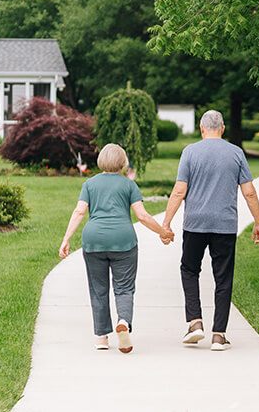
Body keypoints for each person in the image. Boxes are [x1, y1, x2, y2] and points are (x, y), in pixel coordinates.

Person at [162, 110, 259, 351]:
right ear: (223, 128)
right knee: (223, 277)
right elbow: (249, 191)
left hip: (194, 224)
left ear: (201, 128)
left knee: (189, 269)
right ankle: (219, 335)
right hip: (225, 225)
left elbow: (179, 191)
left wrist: (166, 224)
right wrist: (258, 222)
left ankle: (195, 323)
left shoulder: (190, 152)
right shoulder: (236, 153)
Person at [59, 143, 174, 353]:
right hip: (123, 242)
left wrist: (66, 239)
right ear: (123, 163)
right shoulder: (129, 185)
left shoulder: (89, 184)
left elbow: (78, 212)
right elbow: (143, 216)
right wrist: (163, 232)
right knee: (124, 288)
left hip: (93, 241)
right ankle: (123, 321)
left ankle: (102, 337)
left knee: (98, 290)